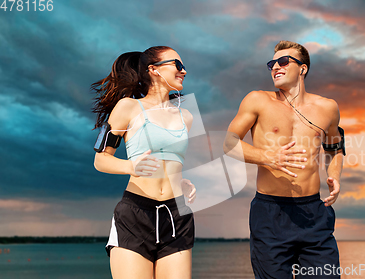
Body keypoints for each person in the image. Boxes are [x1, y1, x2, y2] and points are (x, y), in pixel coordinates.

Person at [224, 41, 344, 278]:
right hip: (270, 213)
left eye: (283, 61)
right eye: (272, 63)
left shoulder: (328, 107)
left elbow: (335, 146)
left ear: (303, 68)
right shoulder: (257, 100)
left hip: (313, 213)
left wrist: (334, 176)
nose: (275, 67)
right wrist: (267, 157)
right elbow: (228, 144)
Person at [91, 46, 196, 279]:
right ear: (154, 69)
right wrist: (131, 166)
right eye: (177, 65)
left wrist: (181, 181)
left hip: (177, 216)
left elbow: (171, 159)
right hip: (136, 215)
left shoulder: (186, 116)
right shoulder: (128, 107)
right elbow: (100, 159)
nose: (184, 71)